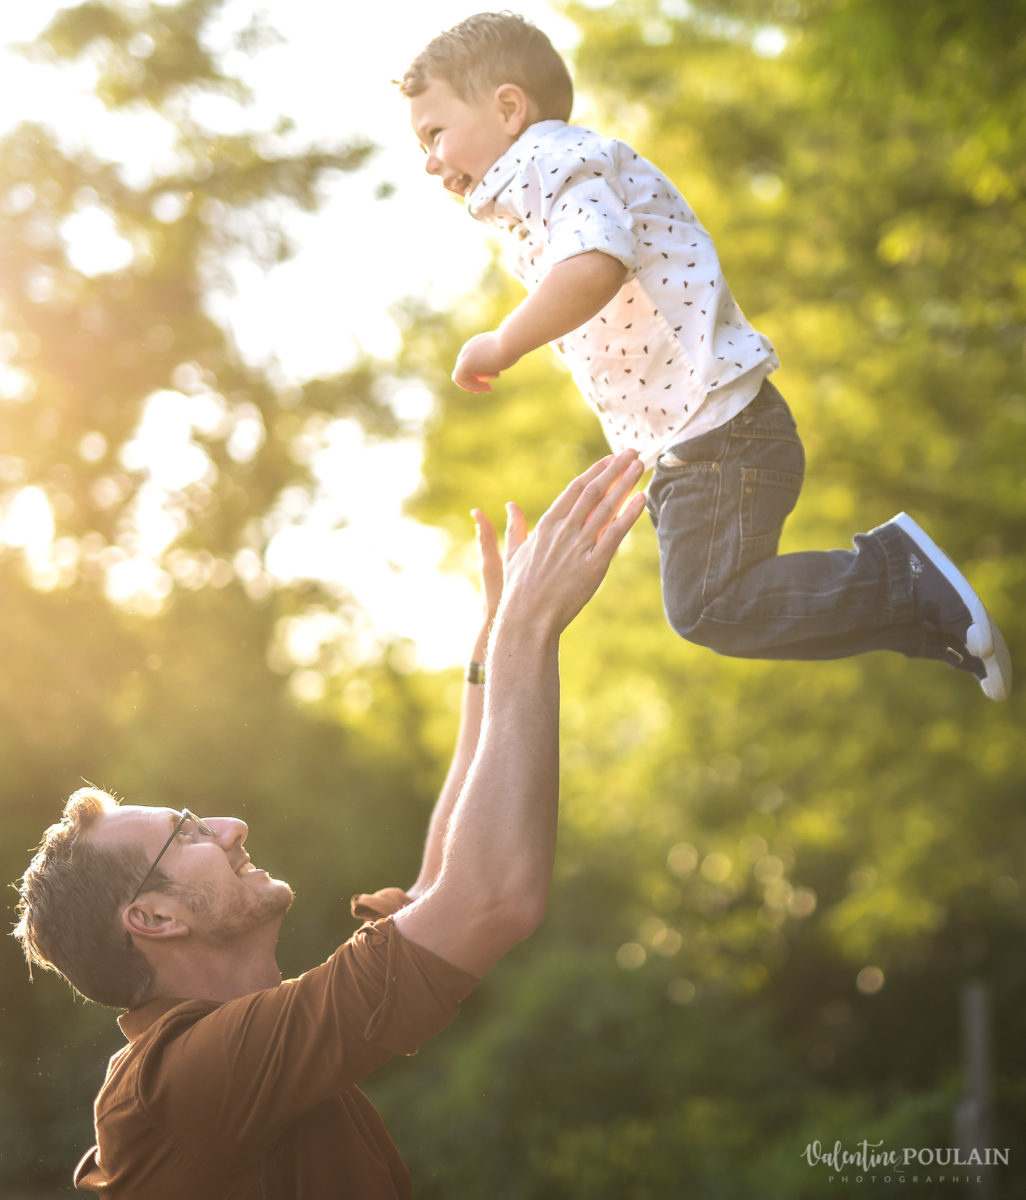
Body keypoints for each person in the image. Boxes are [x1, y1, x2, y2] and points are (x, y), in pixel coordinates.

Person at [13, 450, 647, 1199]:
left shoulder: (241, 1056)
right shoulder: (184, 1079)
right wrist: (527, 630)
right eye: (186, 833)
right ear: (152, 918)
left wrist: (490, 659)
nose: (231, 826)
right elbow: (491, 898)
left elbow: (443, 889)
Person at [399, 11, 1012, 701]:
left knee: (707, 606)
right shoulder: (539, 186)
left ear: (509, 108)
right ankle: (935, 620)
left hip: (719, 433)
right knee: (713, 609)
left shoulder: (552, 161)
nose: (429, 160)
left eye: (435, 133)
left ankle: (900, 579)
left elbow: (595, 263)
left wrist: (502, 340)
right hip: (698, 439)